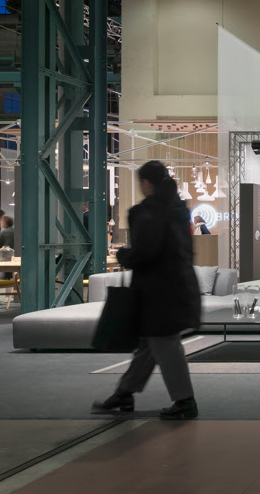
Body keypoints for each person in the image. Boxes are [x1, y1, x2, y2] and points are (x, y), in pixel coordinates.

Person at [92, 161, 201, 420]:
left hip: (157, 292)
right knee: (150, 344)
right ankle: (125, 392)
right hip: (179, 286)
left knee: (164, 343)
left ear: (145, 183)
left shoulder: (147, 212)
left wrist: (124, 256)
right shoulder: (179, 209)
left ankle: (185, 400)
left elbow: (146, 253)